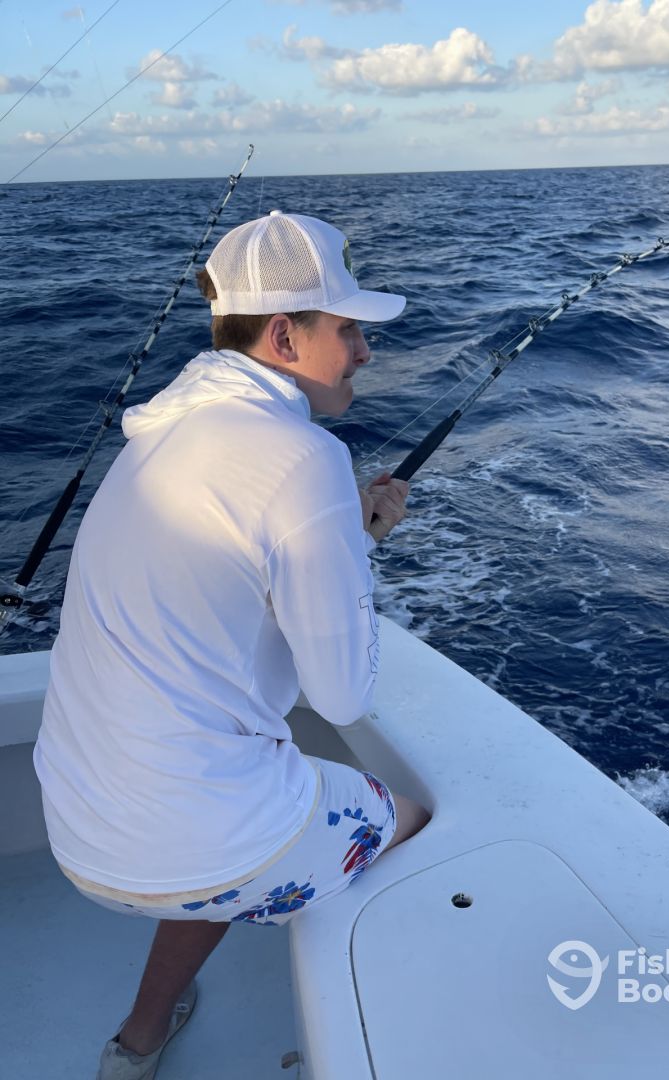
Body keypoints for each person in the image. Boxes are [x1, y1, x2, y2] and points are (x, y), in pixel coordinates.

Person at [32, 210, 431, 1080]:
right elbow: (344, 697)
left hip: (81, 830)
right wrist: (351, 551)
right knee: (416, 821)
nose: (365, 353)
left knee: (241, 804)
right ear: (284, 335)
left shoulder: (159, 432)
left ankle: (138, 1042)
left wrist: (346, 537)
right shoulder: (304, 456)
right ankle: (362, 1046)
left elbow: (231, 572)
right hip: (197, 839)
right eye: (349, 329)